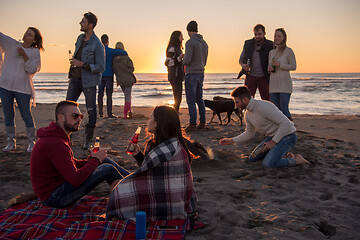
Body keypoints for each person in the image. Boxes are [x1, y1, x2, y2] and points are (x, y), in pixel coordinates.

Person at [30, 100, 130, 208]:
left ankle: (135, 179)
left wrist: (90, 161)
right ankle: (132, 191)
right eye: (75, 116)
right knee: (107, 169)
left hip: (57, 188)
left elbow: (68, 164)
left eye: (80, 116)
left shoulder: (58, 136)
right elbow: (75, 179)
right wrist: (95, 161)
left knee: (103, 160)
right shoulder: (56, 143)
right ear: (61, 117)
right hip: (54, 198)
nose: (79, 119)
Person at [107, 106, 197, 221]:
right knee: (115, 177)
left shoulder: (163, 150)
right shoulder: (175, 144)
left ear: (156, 124)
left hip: (168, 203)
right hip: (180, 200)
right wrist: (138, 154)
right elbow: (152, 171)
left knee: (115, 187)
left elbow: (145, 172)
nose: (148, 121)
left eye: (150, 118)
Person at [219, 86, 309, 168]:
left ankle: (296, 160)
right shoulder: (248, 114)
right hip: (272, 137)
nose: (236, 105)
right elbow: (249, 133)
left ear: (245, 100)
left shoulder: (264, 107)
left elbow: (286, 124)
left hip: (288, 136)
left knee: (268, 164)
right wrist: (231, 140)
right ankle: (281, 155)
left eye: (237, 102)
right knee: (252, 158)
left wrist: (273, 142)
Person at [0, 27, 44, 152]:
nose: (26, 36)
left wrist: (24, 55)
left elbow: (32, 69)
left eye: (30, 35)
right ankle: (10, 142)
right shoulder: (12, 44)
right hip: (5, 86)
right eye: (26, 33)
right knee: (8, 115)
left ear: (34, 39)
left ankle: (31, 142)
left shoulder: (34, 52)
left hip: (22, 88)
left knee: (26, 115)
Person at [67, 12, 105, 149]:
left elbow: (101, 67)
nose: (80, 23)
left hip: (89, 82)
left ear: (90, 25)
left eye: (83, 21)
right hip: (75, 80)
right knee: (67, 109)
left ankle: (88, 140)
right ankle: (66, 139)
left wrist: (82, 64)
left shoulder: (98, 45)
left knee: (91, 110)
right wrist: (72, 72)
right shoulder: (79, 38)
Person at [183, 20, 208, 131]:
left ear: (188, 30)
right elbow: (205, 61)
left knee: (191, 100)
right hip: (201, 72)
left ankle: (192, 123)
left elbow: (187, 61)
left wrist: (181, 59)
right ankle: (202, 122)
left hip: (191, 73)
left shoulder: (190, 43)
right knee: (199, 98)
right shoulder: (205, 43)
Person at [268, 28, 296, 120]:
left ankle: (290, 132)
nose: (276, 38)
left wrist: (280, 64)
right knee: (275, 110)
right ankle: (278, 132)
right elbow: (270, 67)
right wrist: (269, 69)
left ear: (284, 37)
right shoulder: (271, 52)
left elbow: (293, 66)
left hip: (285, 86)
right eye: (275, 36)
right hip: (273, 85)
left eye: (279, 36)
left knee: (284, 109)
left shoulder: (288, 51)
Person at [239, 24, 273, 101]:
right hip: (250, 76)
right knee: (247, 100)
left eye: (259, 34)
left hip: (265, 77)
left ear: (264, 33)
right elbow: (240, 59)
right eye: (255, 34)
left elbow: (274, 59)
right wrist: (243, 65)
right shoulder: (248, 44)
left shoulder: (270, 45)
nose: (257, 36)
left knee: (267, 101)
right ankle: (248, 113)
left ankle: (266, 113)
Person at [98, 34, 128, 118]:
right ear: (108, 41)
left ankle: (100, 113)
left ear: (101, 41)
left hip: (100, 75)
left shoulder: (98, 51)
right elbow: (124, 52)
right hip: (108, 75)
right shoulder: (110, 51)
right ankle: (109, 113)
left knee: (100, 94)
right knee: (109, 95)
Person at [112, 41, 136, 119]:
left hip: (120, 80)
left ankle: (130, 111)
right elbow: (132, 68)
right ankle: (126, 114)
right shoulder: (126, 57)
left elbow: (114, 70)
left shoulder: (114, 59)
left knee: (127, 96)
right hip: (128, 79)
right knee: (127, 97)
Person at [165, 30, 185, 112]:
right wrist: (179, 58)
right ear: (177, 37)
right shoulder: (172, 48)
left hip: (179, 76)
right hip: (174, 76)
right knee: (177, 97)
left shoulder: (178, 48)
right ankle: (174, 113)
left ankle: (175, 112)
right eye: (181, 36)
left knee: (179, 98)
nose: (183, 38)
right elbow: (167, 62)